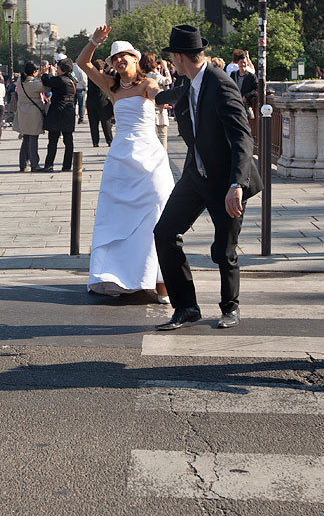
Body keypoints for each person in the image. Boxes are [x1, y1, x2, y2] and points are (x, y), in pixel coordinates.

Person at [152, 25, 263, 331]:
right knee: (164, 232)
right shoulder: (191, 82)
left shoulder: (220, 84)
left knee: (223, 250)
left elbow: (243, 138)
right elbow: (175, 95)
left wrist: (236, 185)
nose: (172, 63)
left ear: (178, 57)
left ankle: (230, 307)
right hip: (196, 176)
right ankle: (186, 307)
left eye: (172, 58)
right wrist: (143, 91)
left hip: (224, 180)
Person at [78, 29, 174, 300]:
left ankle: (160, 280)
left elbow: (157, 94)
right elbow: (82, 63)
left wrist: (164, 100)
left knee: (158, 210)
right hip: (121, 158)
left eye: (125, 56)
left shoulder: (147, 84)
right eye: (115, 57)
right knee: (118, 218)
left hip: (150, 158)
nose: (120, 61)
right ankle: (120, 278)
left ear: (135, 59)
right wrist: (94, 42)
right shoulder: (112, 86)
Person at [40, 58, 77, 172]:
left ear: (63, 69)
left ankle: (49, 164)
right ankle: (67, 165)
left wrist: (46, 73)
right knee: (68, 140)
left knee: (53, 141)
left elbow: (47, 81)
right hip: (69, 112)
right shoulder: (72, 80)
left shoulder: (61, 80)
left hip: (57, 111)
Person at [14, 61, 50, 172]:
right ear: (34, 72)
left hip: (22, 111)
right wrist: (47, 74)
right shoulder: (35, 84)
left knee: (26, 138)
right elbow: (48, 88)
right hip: (33, 112)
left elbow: (29, 78)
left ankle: (23, 163)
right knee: (34, 138)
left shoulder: (20, 80)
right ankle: (35, 164)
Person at [86, 58, 114, 147]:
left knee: (93, 124)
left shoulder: (90, 77)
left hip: (91, 101)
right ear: (101, 68)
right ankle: (109, 140)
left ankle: (95, 141)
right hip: (103, 101)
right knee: (106, 123)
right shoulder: (103, 77)